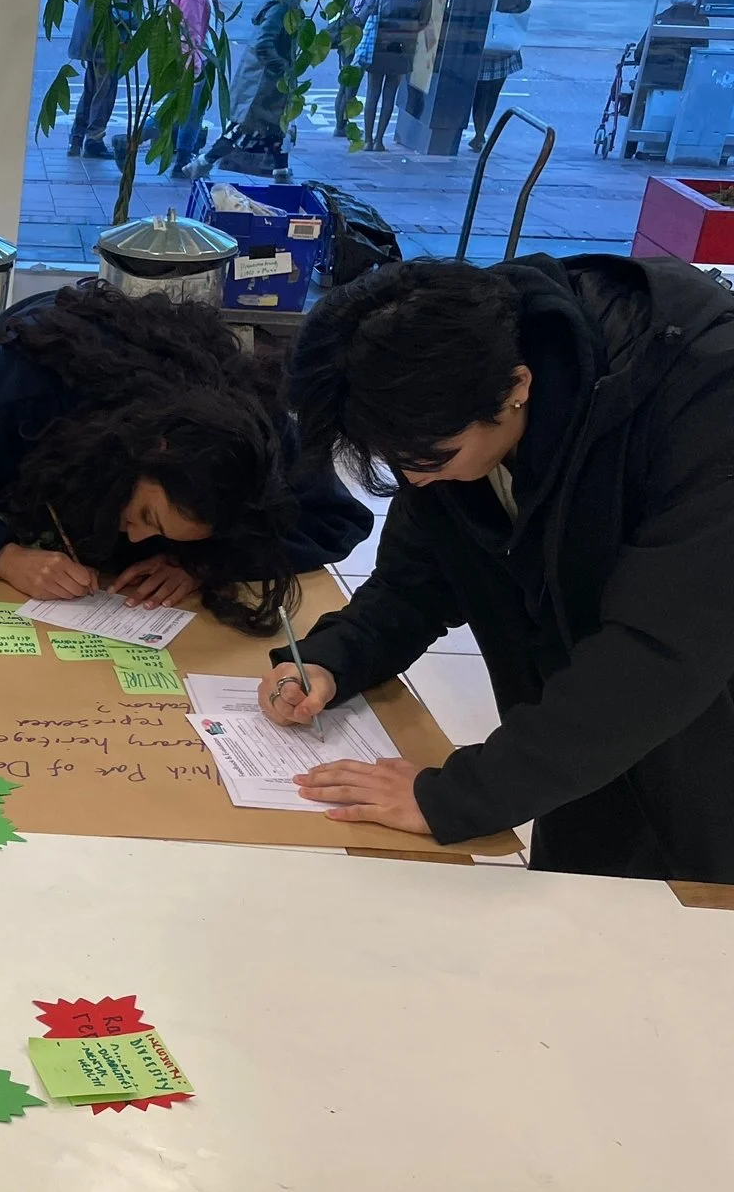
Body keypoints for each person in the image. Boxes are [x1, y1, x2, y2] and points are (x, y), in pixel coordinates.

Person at [262, 255, 734, 883]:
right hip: (581, 734)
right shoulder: (449, 380)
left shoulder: (705, 398)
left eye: (433, 458)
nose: (414, 480)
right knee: (579, 899)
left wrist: (459, 795)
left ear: (517, 387)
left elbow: (661, 653)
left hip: (702, 719)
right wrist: (333, 658)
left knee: (702, 909)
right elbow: (418, 579)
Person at [0, 284, 370, 631]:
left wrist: (198, 562)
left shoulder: (254, 426)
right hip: (2, 430)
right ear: (150, 448)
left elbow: (335, 521)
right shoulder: (10, 390)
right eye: (148, 515)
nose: (138, 537)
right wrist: (3, 555)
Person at [196, 0, 308, 182]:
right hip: (263, 84)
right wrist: (283, 67)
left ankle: (281, 172)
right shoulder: (283, 7)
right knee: (244, 129)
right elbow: (263, 43)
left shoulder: (282, 3)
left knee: (276, 130)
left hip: (266, 83)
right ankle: (201, 164)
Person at [359, 0, 431, 153]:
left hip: (379, 46)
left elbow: (366, 14)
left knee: (372, 93)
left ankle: (367, 140)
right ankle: (379, 140)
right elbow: (424, 21)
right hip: (404, 49)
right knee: (390, 94)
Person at [169, 0, 222, 180]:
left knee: (182, 108)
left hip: (190, 55)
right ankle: (182, 158)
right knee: (190, 110)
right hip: (193, 58)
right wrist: (195, 60)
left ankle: (179, 153)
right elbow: (190, 29)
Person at [467, 0, 531, 151]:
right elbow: (525, 4)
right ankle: (481, 134)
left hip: (484, 48)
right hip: (504, 49)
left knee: (480, 96)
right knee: (492, 95)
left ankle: (479, 133)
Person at [66, 0, 119, 161]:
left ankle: (77, 137)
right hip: (105, 44)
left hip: (92, 41)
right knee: (103, 93)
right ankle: (94, 138)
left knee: (91, 90)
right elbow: (118, 12)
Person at [333, 0, 379, 140]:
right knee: (349, 85)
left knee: (346, 85)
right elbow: (357, 15)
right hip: (353, 41)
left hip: (350, 40)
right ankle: (341, 125)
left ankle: (341, 124)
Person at [640, 0, 709, 94]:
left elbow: (640, 52)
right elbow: (702, 53)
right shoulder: (702, 21)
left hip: (653, 79)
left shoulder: (660, 19)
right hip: (685, 79)